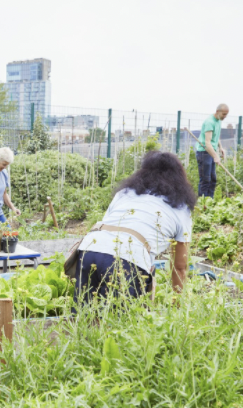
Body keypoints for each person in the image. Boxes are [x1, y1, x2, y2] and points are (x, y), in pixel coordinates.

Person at [74, 151, 195, 303]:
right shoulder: (180, 208)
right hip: (127, 257)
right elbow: (180, 268)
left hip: (90, 249)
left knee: (86, 316)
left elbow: (109, 228)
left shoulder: (124, 194)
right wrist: (178, 306)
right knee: (121, 322)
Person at [196, 104, 229, 198]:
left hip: (211, 152)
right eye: (224, 114)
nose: (225, 117)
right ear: (217, 112)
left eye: (226, 114)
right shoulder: (210, 122)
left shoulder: (218, 120)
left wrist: (220, 147)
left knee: (213, 179)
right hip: (204, 152)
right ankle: (203, 204)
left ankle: (210, 201)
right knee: (205, 180)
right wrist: (215, 156)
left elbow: (216, 136)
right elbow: (207, 143)